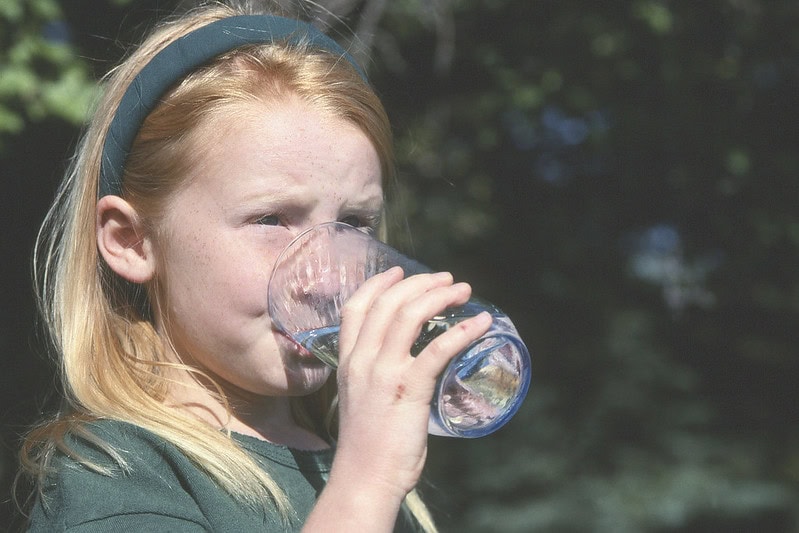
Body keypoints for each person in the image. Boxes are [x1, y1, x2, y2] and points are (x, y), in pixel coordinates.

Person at [18, 1, 493, 531]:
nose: (325, 277)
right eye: (271, 219)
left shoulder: (354, 458)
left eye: (355, 223)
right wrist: (368, 481)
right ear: (132, 242)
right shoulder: (115, 481)